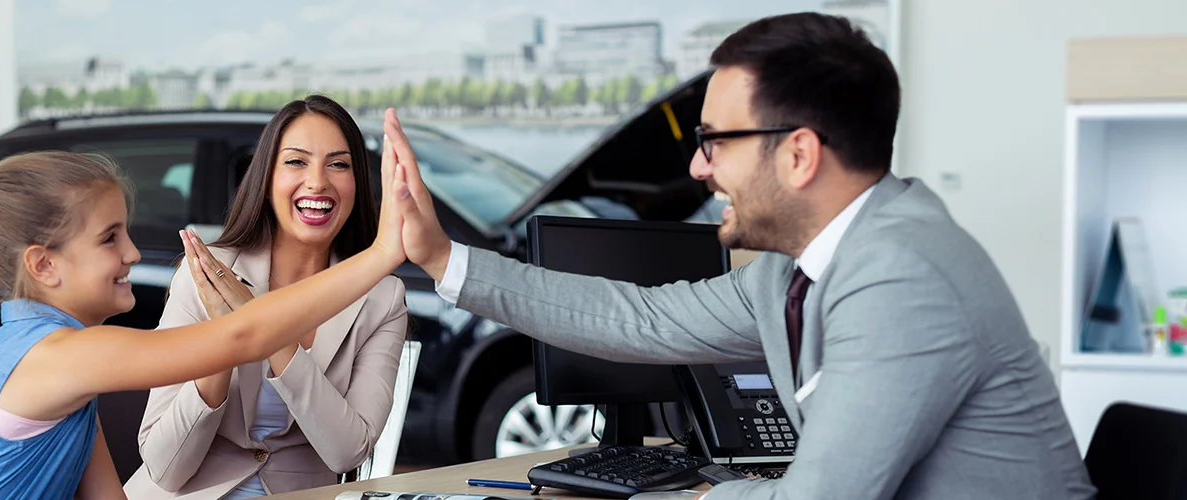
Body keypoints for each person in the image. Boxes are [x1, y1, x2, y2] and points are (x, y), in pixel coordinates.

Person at [383, 13, 1096, 500]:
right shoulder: (798, 266)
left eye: (714, 141)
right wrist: (447, 260)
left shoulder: (901, 277)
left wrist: (695, 493)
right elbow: (642, 319)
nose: (697, 168)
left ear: (797, 154)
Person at [0, 132, 415, 499]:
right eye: (109, 239)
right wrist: (383, 253)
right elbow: (244, 337)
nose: (133, 254)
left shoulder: (51, 361)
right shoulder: (61, 355)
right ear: (43, 265)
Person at [124, 96, 408, 499]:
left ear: (357, 181)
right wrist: (225, 340)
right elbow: (164, 466)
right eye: (296, 161)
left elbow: (348, 451)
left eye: (338, 164)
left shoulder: (381, 297)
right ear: (266, 177)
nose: (317, 182)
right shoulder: (205, 273)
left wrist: (261, 324)